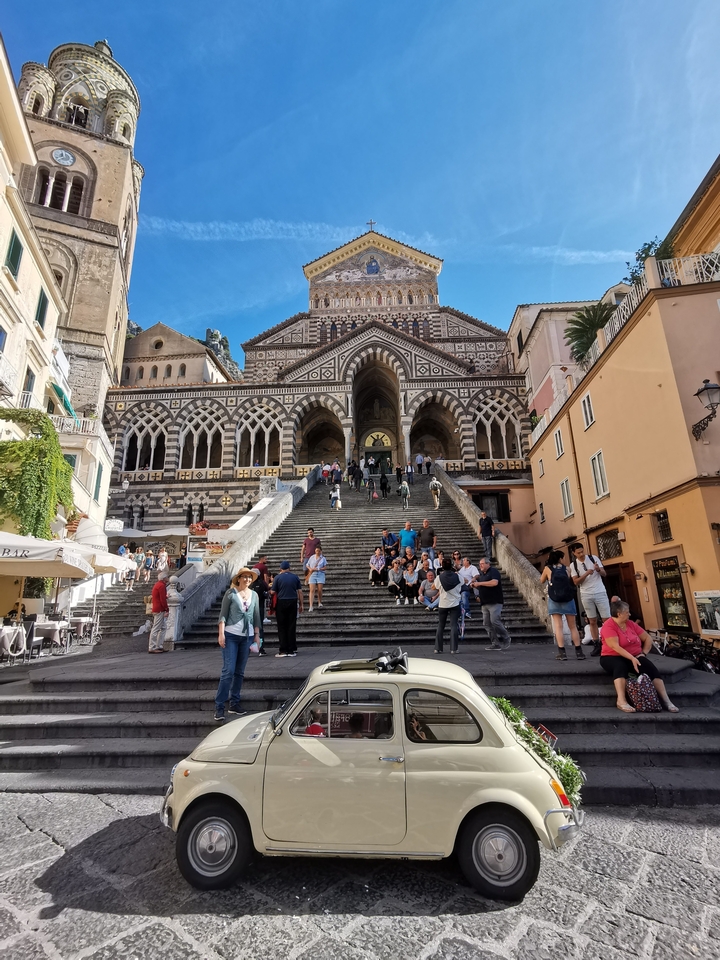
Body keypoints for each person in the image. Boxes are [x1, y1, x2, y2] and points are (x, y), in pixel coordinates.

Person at [600, 599, 679, 713]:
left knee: (650, 668)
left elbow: (647, 638)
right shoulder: (608, 626)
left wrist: (643, 653)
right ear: (619, 614)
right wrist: (632, 658)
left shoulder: (630, 624)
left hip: (634, 655)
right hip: (612, 656)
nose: (630, 614)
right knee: (620, 667)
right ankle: (621, 700)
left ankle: (666, 700)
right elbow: (615, 646)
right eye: (627, 612)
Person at [214, 568, 261, 722]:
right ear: (239, 579)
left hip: (246, 637)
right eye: (245, 577)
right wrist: (221, 633)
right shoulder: (231, 593)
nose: (247, 580)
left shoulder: (254, 595)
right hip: (231, 635)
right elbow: (223, 614)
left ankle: (234, 703)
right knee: (228, 671)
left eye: (249, 577)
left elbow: (256, 616)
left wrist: (257, 636)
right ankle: (219, 707)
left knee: (240, 672)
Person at [540, 550, 584, 661]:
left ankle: (562, 652)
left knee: (558, 626)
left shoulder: (547, 569)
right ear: (560, 558)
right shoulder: (567, 569)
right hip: (568, 599)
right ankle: (579, 652)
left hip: (554, 600)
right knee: (573, 626)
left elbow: (541, 581)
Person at [569, 542, 610, 649]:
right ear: (574, 553)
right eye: (579, 552)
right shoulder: (573, 565)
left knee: (607, 619)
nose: (582, 554)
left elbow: (604, 574)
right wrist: (586, 573)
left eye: (582, 551)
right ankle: (596, 644)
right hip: (586, 594)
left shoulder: (593, 558)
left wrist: (598, 569)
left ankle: (609, 642)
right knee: (592, 620)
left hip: (600, 591)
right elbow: (576, 582)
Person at [473, 557, 512, 651]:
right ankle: (495, 643)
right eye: (479, 564)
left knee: (495, 621)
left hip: (495, 602)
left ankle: (506, 637)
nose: (480, 566)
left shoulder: (493, 571)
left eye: (482, 564)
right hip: (484, 603)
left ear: (488, 564)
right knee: (486, 623)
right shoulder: (482, 575)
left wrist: (480, 583)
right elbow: (483, 587)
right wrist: (476, 586)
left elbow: (494, 583)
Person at [271, 560, 303, 657]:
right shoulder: (295, 577)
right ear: (289, 568)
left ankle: (283, 650)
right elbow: (300, 592)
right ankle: (292, 649)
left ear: (281, 569)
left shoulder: (277, 578)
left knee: (282, 626)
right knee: (291, 625)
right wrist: (301, 604)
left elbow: (273, 592)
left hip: (281, 602)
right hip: (293, 601)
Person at [435, 558, 462, 653]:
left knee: (441, 625)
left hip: (443, 603)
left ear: (442, 566)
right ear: (451, 565)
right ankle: (454, 649)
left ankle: (438, 648)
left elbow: (436, 586)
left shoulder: (439, 577)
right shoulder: (458, 576)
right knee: (454, 625)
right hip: (455, 603)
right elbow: (463, 583)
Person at [148, 573, 169, 654]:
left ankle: (159, 645)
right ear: (164, 578)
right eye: (166, 577)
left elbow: (160, 596)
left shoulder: (158, 584)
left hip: (157, 608)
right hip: (159, 609)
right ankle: (152, 647)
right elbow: (162, 599)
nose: (168, 578)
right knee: (156, 628)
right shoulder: (162, 586)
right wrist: (166, 609)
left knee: (163, 627)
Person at [250, 568, 269, 656]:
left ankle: (260, 647)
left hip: (258, 609)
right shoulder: (254, 583)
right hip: (253, 609)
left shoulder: (259, 584)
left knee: (259, 628)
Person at [306, 545, 327, 611]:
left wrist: (318, 569)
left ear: (321, 551)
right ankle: (311, 606)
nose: (317, 552)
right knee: (312, 590)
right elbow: (307, 565)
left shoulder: (323, 558)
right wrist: (310, 569)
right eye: (316, 551)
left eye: (318, 551)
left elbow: (325, 567)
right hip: (313, 574)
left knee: (319, 590)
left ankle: (319, 602)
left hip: (320, 574)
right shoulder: (312, 557)